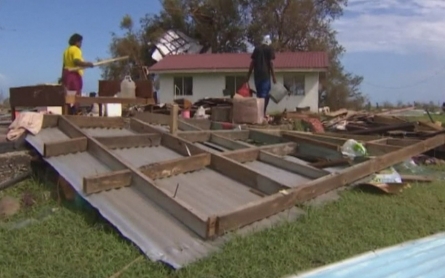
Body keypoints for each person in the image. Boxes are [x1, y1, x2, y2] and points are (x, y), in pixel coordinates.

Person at [61, 33, 94, 114]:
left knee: (67, 95)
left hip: (66, 74)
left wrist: (62, 77)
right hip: (74, 75)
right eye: (80, 42)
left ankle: (67, 112)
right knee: (76, 95)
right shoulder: (76, 49)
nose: (81, 44)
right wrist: (88, 64)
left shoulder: (66, 51)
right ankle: (74, 113)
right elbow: (76, 61)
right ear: (77, 42)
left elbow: (64, 65)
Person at [247, 35, 277, 115]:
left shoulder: (256, 49)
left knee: (259, 95)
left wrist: (248, 76)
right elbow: (271, 63)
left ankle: (260, 113)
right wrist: (274, 77)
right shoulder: (269, 49)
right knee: (265, 95)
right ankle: (261, 114)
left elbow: (252, 63)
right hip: (265, 76)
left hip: (257, 76)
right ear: (268, 42)